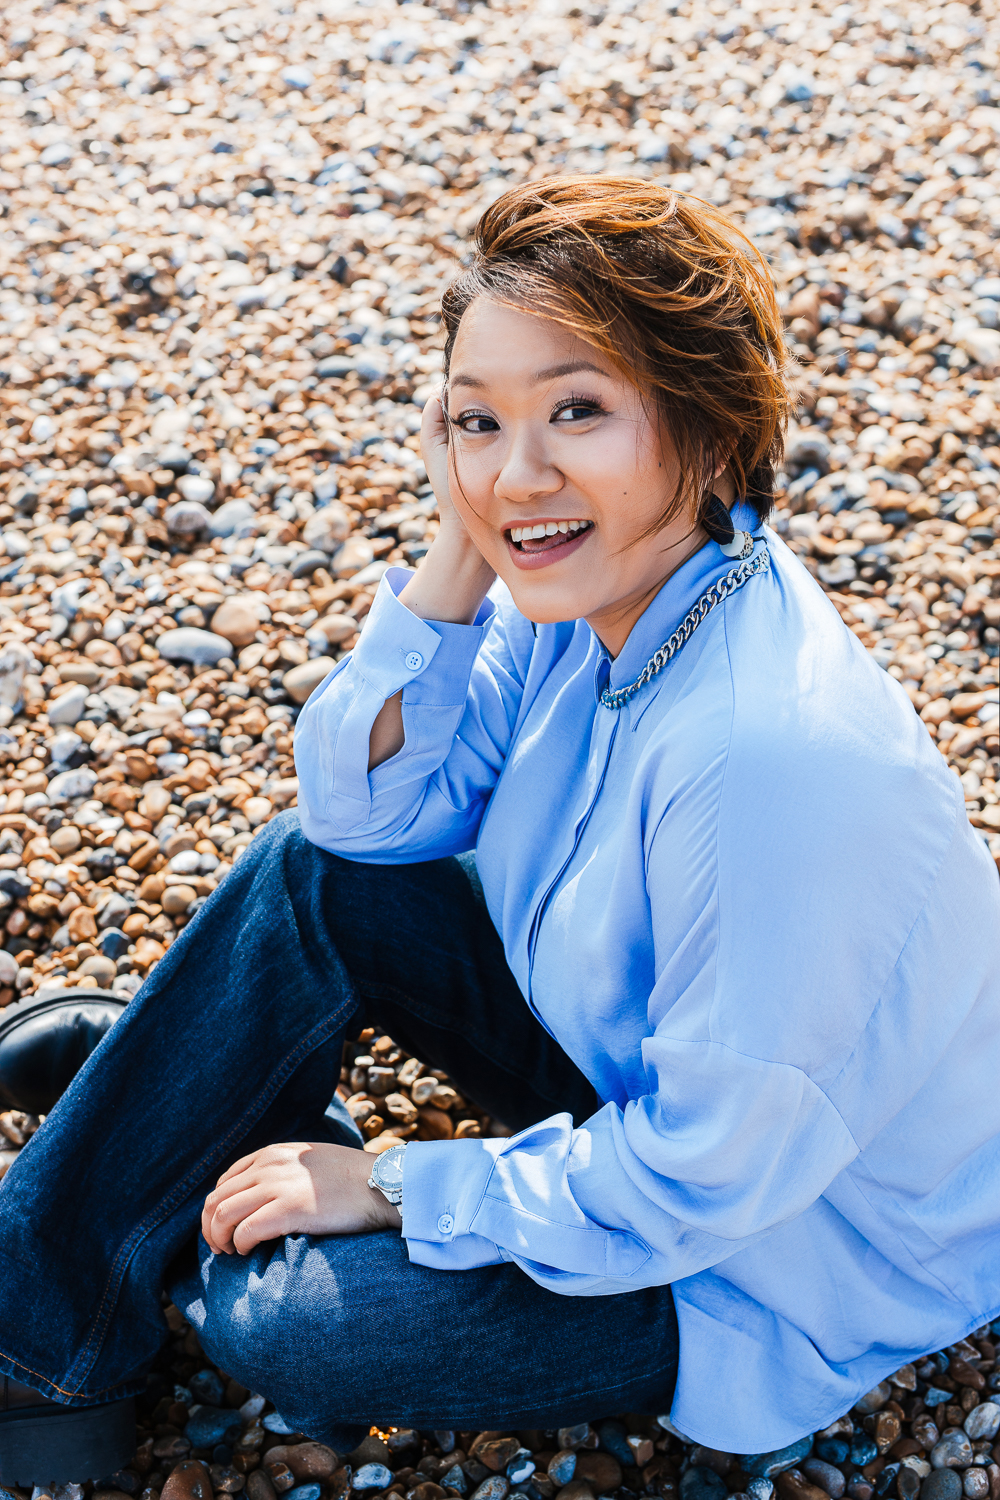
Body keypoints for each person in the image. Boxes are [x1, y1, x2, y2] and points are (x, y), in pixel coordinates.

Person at [1, 176, 998, 1487]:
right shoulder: (591, 592)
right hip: (642, 1078)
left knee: (282, 1324)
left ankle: (162, 1127)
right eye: (478, 421)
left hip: (779, 1251)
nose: (520, 472)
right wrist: (468, 546)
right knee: (310, 882)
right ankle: (48, 1320)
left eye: (577, 411)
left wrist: (410, 1187)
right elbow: (365, 824)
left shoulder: (765, 762)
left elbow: (706, 1184)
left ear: (705, 430)